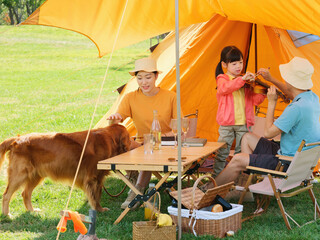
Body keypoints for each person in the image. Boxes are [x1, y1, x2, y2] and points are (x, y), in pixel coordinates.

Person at [215, 56, 320, 186]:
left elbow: (268, 133)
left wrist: (272, 103)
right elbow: (291, 91)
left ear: (291, 81)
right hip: (297, 159)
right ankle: (245, 186)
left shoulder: (296, 108)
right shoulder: (312, 98)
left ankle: (207, 191)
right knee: (247, 138)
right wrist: (270, 79)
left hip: (286, 162)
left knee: (237, 159)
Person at [107, 57, 177, 210]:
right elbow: (116, 124)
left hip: (163, 144)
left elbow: (179, 127)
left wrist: (160, 138)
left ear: (156, 76)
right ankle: (133, 174)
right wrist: (114, 119)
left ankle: (136, 192)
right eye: (139, 78)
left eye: (148, 77)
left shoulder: (170, 97)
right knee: (121, 139)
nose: (144, 82)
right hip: (139, 144)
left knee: (148, 152)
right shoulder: (130, 97)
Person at [213, 46, 265, 177]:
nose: (238, 66)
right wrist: (242, 80)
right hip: (226, 124)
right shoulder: (222, 78)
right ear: (224, 64)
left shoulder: (245, 82)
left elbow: (255, 101)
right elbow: (225, 89)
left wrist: (262, 90)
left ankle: (235, 178)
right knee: (222, 153)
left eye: (241, 62)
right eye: (234, 63)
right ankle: (216, 178)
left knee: (241, 154)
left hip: (244, 124)